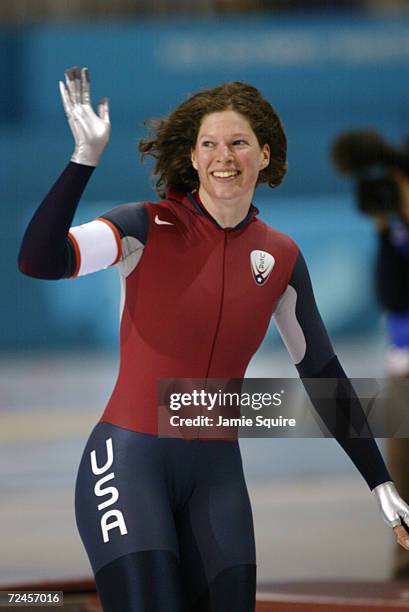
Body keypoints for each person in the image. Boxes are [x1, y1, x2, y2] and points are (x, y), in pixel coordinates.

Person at [18, 68, 409, 612]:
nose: (224, 155)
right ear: (194, 157)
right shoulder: (142, 228)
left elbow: (321, 373)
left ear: (265, 156)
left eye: (239, 143)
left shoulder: (282, 257)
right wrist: (83, 158)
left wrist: (379, 482)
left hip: (217, 478)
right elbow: (39, 260)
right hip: (130, 463)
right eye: (210, 144)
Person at [331, 130, 409, 579]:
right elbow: (393, 296)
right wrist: (387, 231)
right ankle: (404, 575)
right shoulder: (397, 226)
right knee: (404, 483)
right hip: (403, 368)